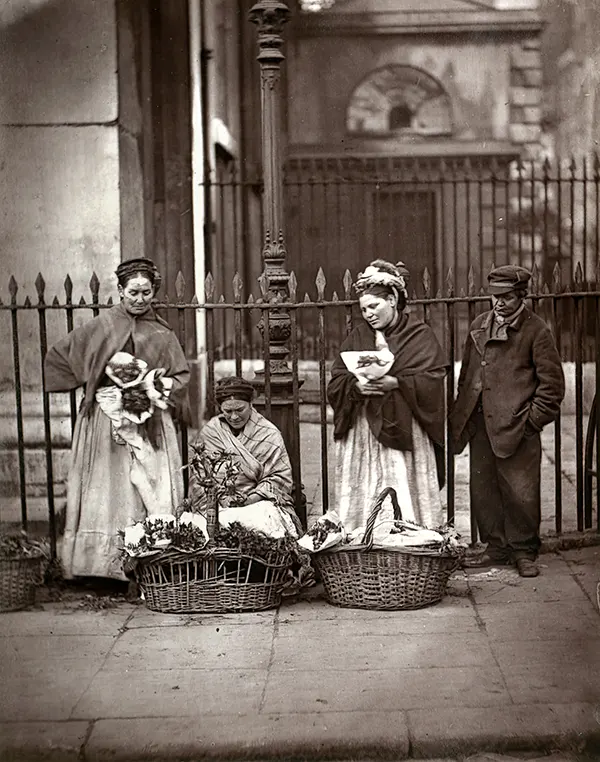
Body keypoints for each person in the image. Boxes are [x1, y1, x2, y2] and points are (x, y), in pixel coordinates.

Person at [44, 258, 190, 581]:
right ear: (120, 290)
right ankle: (99, 566)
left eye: (146, 292)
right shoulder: (103, 325)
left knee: (148, 487)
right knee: (106, 488)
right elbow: (60, 356)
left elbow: (181, 377)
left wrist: (153, 386)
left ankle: (146, 560)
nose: (140, 299)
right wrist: (96, 384)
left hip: (148, 422)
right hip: (105, 422)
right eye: (133, 292)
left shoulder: (162, 334)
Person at [450, 265, 565, 578]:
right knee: (483, 489)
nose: (499, 303)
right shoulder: (479, 325)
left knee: (521, 491)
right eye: (494, 296)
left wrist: (530, 423)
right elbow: (467, 376)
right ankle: (496, 547)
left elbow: (552, 387)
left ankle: (523, 551)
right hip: (481, 423)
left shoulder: (536, 330)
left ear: (522, 296)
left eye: (507, 297)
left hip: (517, 427)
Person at [327, 259, 448, 532]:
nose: (368, 314)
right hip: (363, 432)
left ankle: (410, 538)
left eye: (374, 306)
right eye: (364, 309)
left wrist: (397, 383)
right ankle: (362, 537)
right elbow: (337, 379)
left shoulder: (419, 335)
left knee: (401, 486)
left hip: (405, 428)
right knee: (364, 490)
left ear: (393, 299)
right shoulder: (358, 335)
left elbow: (432, 379)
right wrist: (355, 388)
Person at [192, 376, 302, 537]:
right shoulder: (211, 432)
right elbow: (199, 477)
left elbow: (279, 478)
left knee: (263, 526)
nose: (234, 417)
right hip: (217, 505)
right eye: (228, 411)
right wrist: (220, 500)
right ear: (220, 409)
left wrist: (250, 499)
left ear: (251, 404)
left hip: (256, 504)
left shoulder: (268, 433)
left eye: (240, 410)